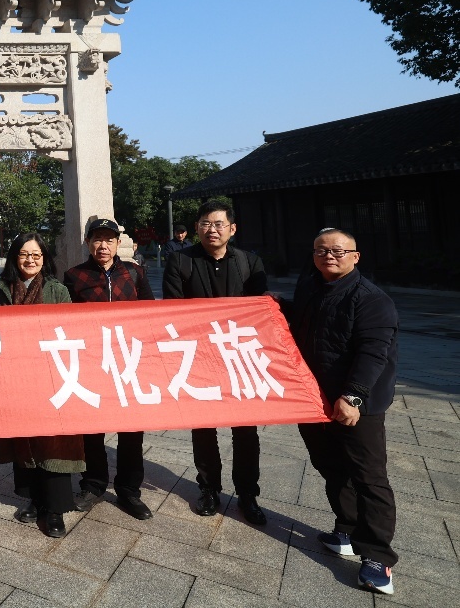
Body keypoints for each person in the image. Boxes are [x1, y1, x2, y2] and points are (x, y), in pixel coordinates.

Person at [289, 228, 399, 595]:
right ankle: (347, 529)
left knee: (369, 477)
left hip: (356, 404)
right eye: (321, 251)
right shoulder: (310, 287)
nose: (329, 256)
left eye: (337, 251)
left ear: (355, 256)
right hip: (313, 398)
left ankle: (377, 556)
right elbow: (300, 322)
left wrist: (353, 396)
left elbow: (374, 352)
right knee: (330, 466)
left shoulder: (371, 299)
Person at [163, 200, 269, 525]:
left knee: (246, 431)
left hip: (239, 358)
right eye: (206, 224)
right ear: (197, 228)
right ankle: (209, 489)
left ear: (232, 229)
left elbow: (259, 310)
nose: (212, 229)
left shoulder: (249, 262)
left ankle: (248, 494)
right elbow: (172, 310)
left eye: (219, 224)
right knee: (204, 428)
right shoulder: (181, 260)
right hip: (200, 359)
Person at [63, 218, 156, 521]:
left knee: (132, 429)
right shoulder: (74, 276)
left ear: (118, 243)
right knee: (91, 429)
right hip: (91, 361)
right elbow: (65, 321)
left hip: (129, 361)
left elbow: (150, 314)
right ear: (88, 242)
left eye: (109, 240)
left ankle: (129, 489)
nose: (103, 245)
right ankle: (93, 484)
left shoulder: (134, 272)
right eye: (97, 239)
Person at [0, 232, 79, 538]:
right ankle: (33, 498)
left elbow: (69, 331)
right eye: (24, 254)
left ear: (44, 258)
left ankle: (54, 508)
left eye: (36, 255)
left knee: (54, 443)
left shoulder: (57, 290)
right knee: (24, 440)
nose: (30, 260)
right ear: (14, 258)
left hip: (51, 376)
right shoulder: (0, 290)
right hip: (15, 376)